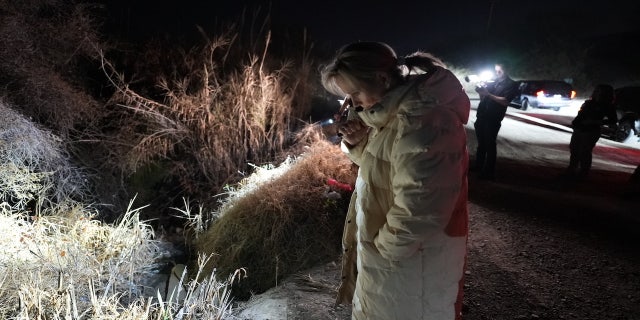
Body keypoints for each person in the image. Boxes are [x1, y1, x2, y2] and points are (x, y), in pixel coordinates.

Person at [320, 41, 470, 320]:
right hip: (399, 262)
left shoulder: (423, 119)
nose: (352, 103)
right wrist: (357, 144)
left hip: (413, 263)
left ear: (381, 78)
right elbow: (385, 168)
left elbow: (423, 206)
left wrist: (383, 249)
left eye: (355, 92)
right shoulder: (393, 114)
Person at [471, 62, 520, 180]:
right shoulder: (493, 81)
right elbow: (483, 97)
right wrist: (481, 93)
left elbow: (505, 101)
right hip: (482, 115)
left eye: (500, 71)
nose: (497, 73)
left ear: (507, 70)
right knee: (481, 144)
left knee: (490, 145)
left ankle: (488, 172)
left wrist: (488, 94)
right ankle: (478, 166)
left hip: (493, 118)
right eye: (496, 70)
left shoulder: (511, 84)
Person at [564, 84, 617, 180]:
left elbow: (613, 120)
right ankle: (571, 169)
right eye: (596, 90)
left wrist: (596, 122)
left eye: (599, 91)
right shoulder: (589, 103)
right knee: (574, 149)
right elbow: (580, 115)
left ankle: (583, 173)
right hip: (579, 128)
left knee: (585, 152)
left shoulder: (607, 106)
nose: (596, 92)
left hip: (591, 131)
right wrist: (575, 124)